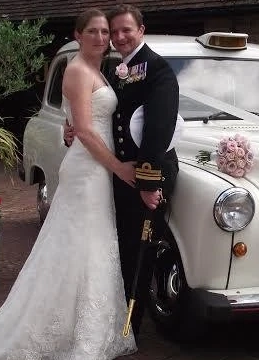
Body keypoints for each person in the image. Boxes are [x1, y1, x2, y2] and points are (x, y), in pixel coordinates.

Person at [0, 9, 138, 360]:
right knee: (82, 244)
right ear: (78, 36)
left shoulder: (97, 70)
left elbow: (74, 121)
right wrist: (119, 168)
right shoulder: (77, 70)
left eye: (105, 31)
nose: (101, 37)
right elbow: (88, 132)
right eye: (92, 31)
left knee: (89, 245)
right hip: (89, 169)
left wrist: (68, 131)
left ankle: (89, 325)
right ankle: (72, 331)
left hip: (95, 168)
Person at [64, 4, 180, 337]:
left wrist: (146, 182)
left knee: (138, 252)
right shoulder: (117, 69)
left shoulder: (158, 70)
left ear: (141, 30)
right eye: (113, 32)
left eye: (125, 30)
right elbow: (97, 116)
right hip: (117, 174)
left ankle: (130, 328)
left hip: (144, 176)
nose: (118, 37)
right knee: (121, 249)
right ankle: (114, 321)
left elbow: (158, 131)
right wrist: (69, 127)